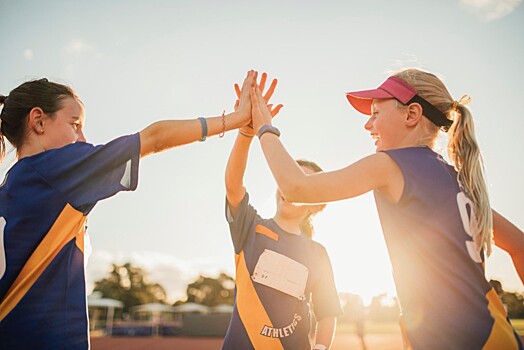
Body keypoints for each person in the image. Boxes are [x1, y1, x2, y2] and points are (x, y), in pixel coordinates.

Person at [249, 69, 524, 350]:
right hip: (496, 333)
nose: (368, 125)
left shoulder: (390, 165)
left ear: (411, 115)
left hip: (462, 340)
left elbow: (296, 188)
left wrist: (264, 127)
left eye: (376, 113)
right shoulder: (457, 180)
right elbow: (519, 246)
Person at [0, 71, 255, 349]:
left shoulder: (10, 188)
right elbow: (155, 137)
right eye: (75, 124)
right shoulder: (56, 169)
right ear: (38, 121)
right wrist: (236, 120)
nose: (83, 139)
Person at [223, 74, 343, 350]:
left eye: (304, 184)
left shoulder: (318, 253)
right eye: (290, 179)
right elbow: (233, 185)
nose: (292, 189)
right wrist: (246, 132)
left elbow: (327, 315)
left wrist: (321, 348)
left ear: (317, 205)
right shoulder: (250, 226)